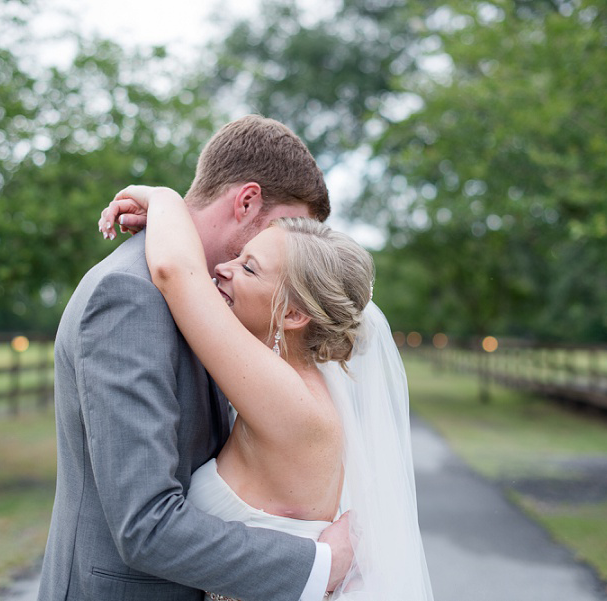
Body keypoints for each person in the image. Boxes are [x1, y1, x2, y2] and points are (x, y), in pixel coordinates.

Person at [37, 115, 354, 601]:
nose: (292, 249)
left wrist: (164, 200)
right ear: (246, 201)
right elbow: (144, 523)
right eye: (286, 226)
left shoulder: (213, 303)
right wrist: (317, 565)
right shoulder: (131, 294)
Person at [99, 186, 434, 600]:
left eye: (249, 268)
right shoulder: (297, 384)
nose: (223, 268)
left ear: (293, 314)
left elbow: (173, 271)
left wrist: (164, 197)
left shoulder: (290, 401)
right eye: (239, 256)